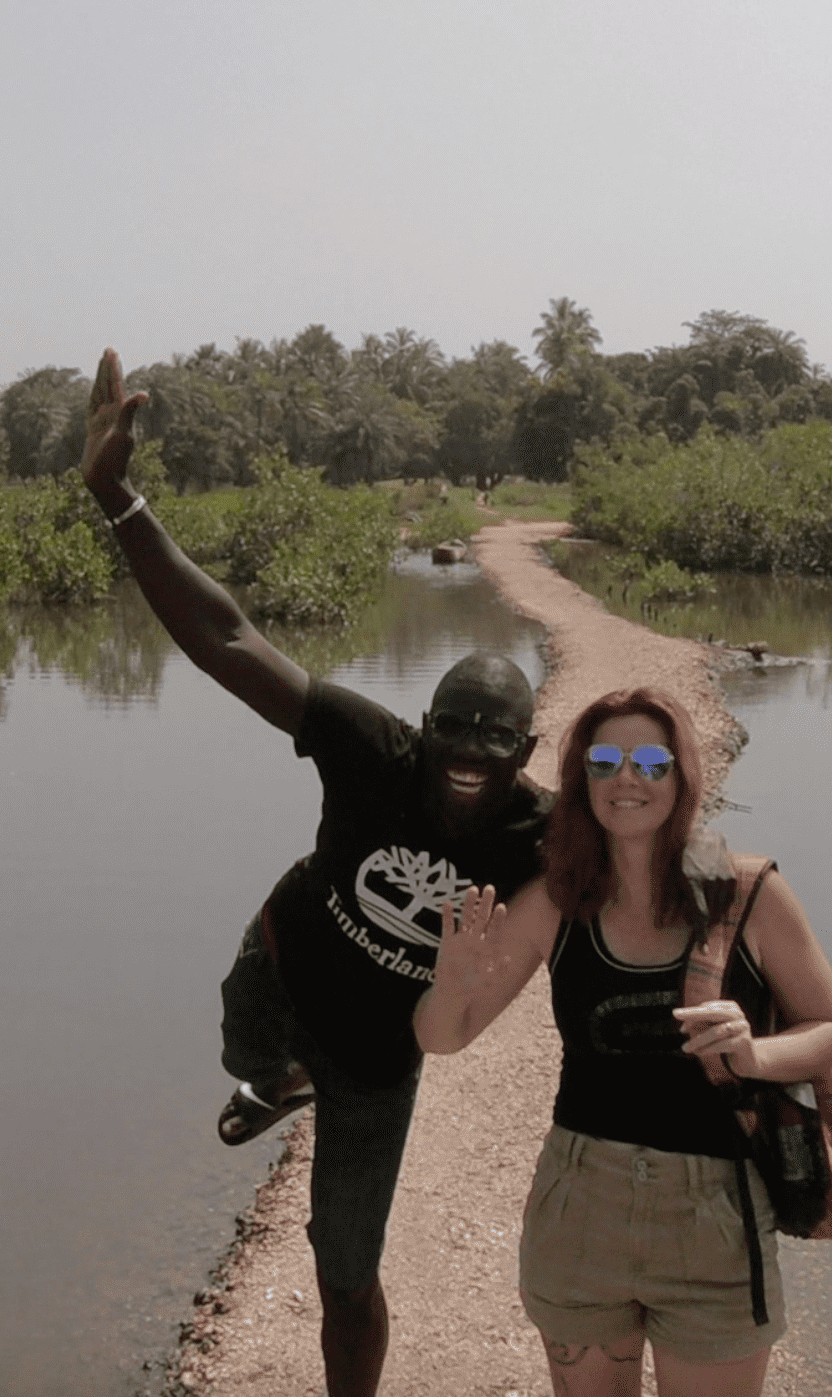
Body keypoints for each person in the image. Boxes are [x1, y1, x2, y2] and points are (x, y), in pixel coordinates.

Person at [79, 347, 555, 1397]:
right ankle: (280, 1073)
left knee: (343, 1272)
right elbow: (227, 635)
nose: (470, 756)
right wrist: (117, 500)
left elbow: (651, 870)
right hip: (284, 959)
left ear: (528, 753)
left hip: (382, 1060)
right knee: (238, 1046)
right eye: (454, 733)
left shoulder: (540, 835)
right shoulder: (363, 741)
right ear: (425, 728)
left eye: (496, 742)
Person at [414, 687, 832, 1397]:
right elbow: (443, 1038)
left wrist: (753, 1055)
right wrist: (451, 983)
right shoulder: (557, 903)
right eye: (605, 762)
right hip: (581, 1206)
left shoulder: (751, 894)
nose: (628, 778)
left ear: (682, 777)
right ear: (580, 780)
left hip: (716, 1215)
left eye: (652, 761)